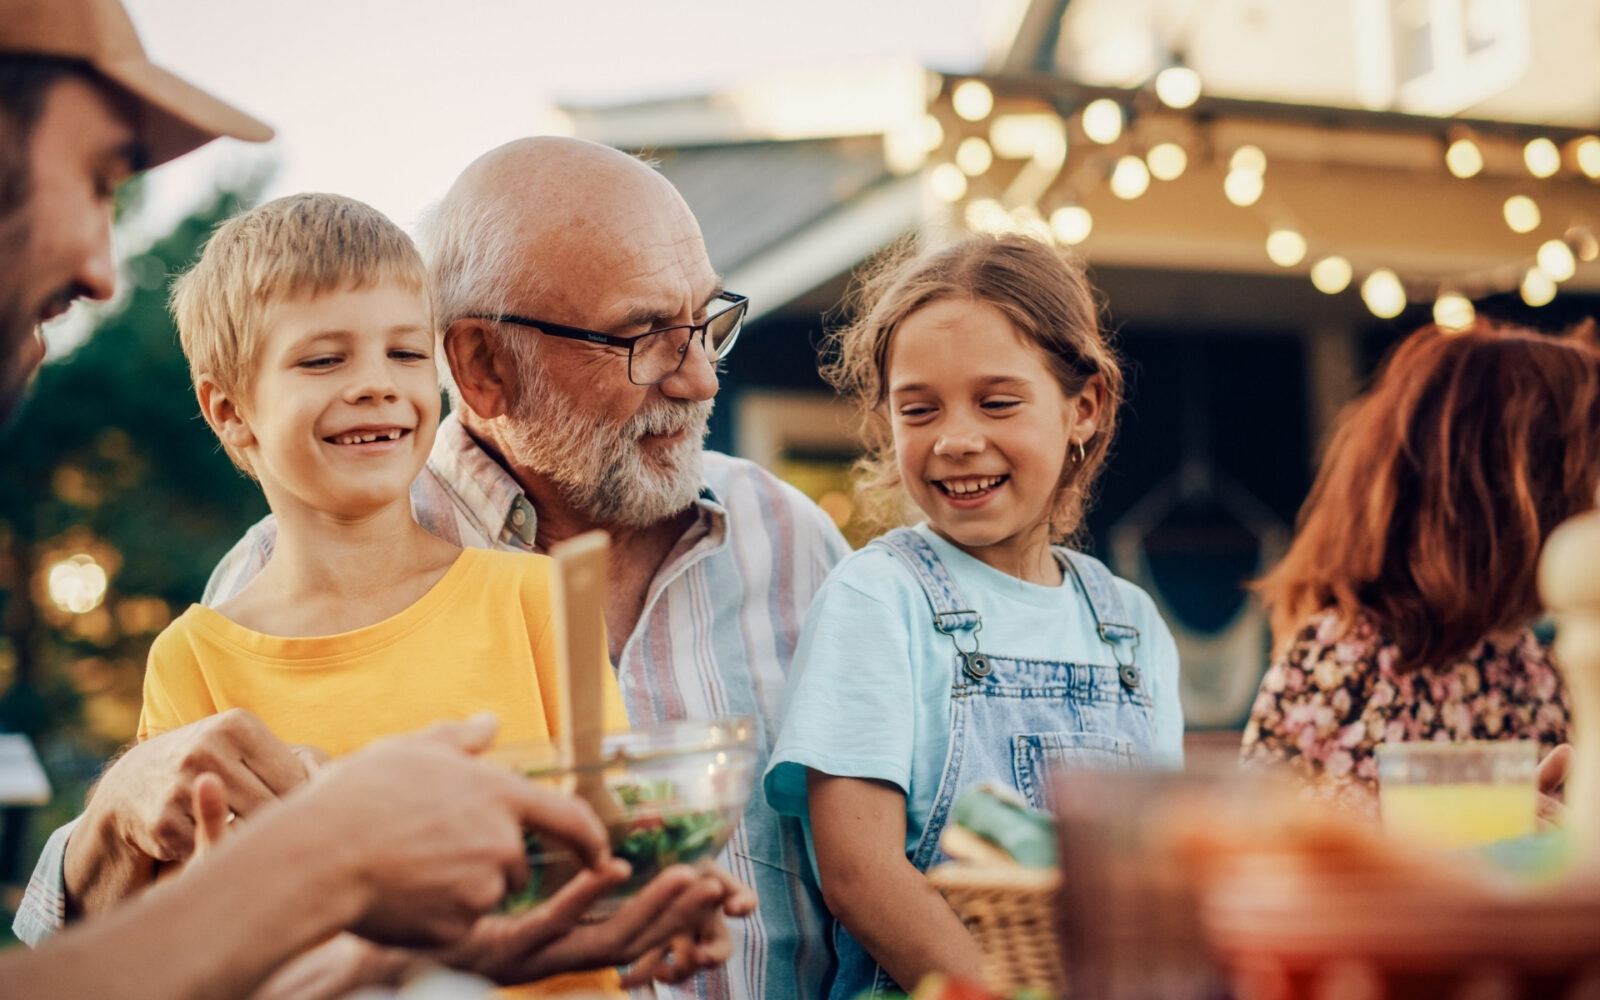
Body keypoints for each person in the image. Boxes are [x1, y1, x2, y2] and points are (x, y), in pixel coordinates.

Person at [29, 136, 851, 1000]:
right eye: (643, 336)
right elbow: (166, 939)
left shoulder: (788, 539)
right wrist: (124, 808)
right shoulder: (227, 621)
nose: (699, 379)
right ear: (482, 367)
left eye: (706, 323)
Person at [763, 233, 1185, 997]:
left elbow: (1154, 871)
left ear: (1083, 406)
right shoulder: (878, 599)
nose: (956, 440)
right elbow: (861, 875)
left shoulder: (1131, 626)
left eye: (997, 402)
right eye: (918, 409)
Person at [1240, 320, 1599, 816]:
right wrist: (1476, 828)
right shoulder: (1345, 659)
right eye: (1589, 468)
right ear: (1514, 493)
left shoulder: (1537, 667)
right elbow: (1262, 847)